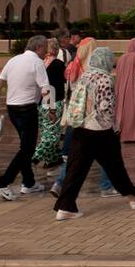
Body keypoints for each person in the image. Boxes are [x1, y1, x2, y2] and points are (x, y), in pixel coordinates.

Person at [53, 47, 135, 220]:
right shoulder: (105, 79)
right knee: (115, 167)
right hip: (100, 131)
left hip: (79, 128)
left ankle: (65, 207)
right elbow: (105, 108)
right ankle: (134, 197)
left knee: (75, 169)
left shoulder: (85, 76)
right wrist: (114, 127)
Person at [0, 35, 52, 199]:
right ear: (38, 48)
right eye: (45, 48)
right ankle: (2, 183)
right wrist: (51, 110)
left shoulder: (13, 60)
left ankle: (29, 182)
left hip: (12, 108)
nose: (46, 51)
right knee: (27, 149)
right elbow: (45, 89)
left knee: (25, 146)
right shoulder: (37, 62)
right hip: (27, 108)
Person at [52, 37, 115, 196]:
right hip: (93, 120)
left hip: (76, 118)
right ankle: (107, 186)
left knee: (77, 155)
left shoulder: (73, 67)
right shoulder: (93, 71)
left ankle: (60, 183)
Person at [31, 38, 64, 168]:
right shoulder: (58, 64)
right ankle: (34, 158)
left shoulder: (41, 63)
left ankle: (54, 158)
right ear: (56, 49)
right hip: (53, 102)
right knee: (52, 135)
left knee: (46, 131)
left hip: (41, 102)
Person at [114, 37, 135, 143]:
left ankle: (123, 134)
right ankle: (132, 135)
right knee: (133, 111)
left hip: (120, 88)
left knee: (122, 111)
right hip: (132, 88)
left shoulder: (121, 57)